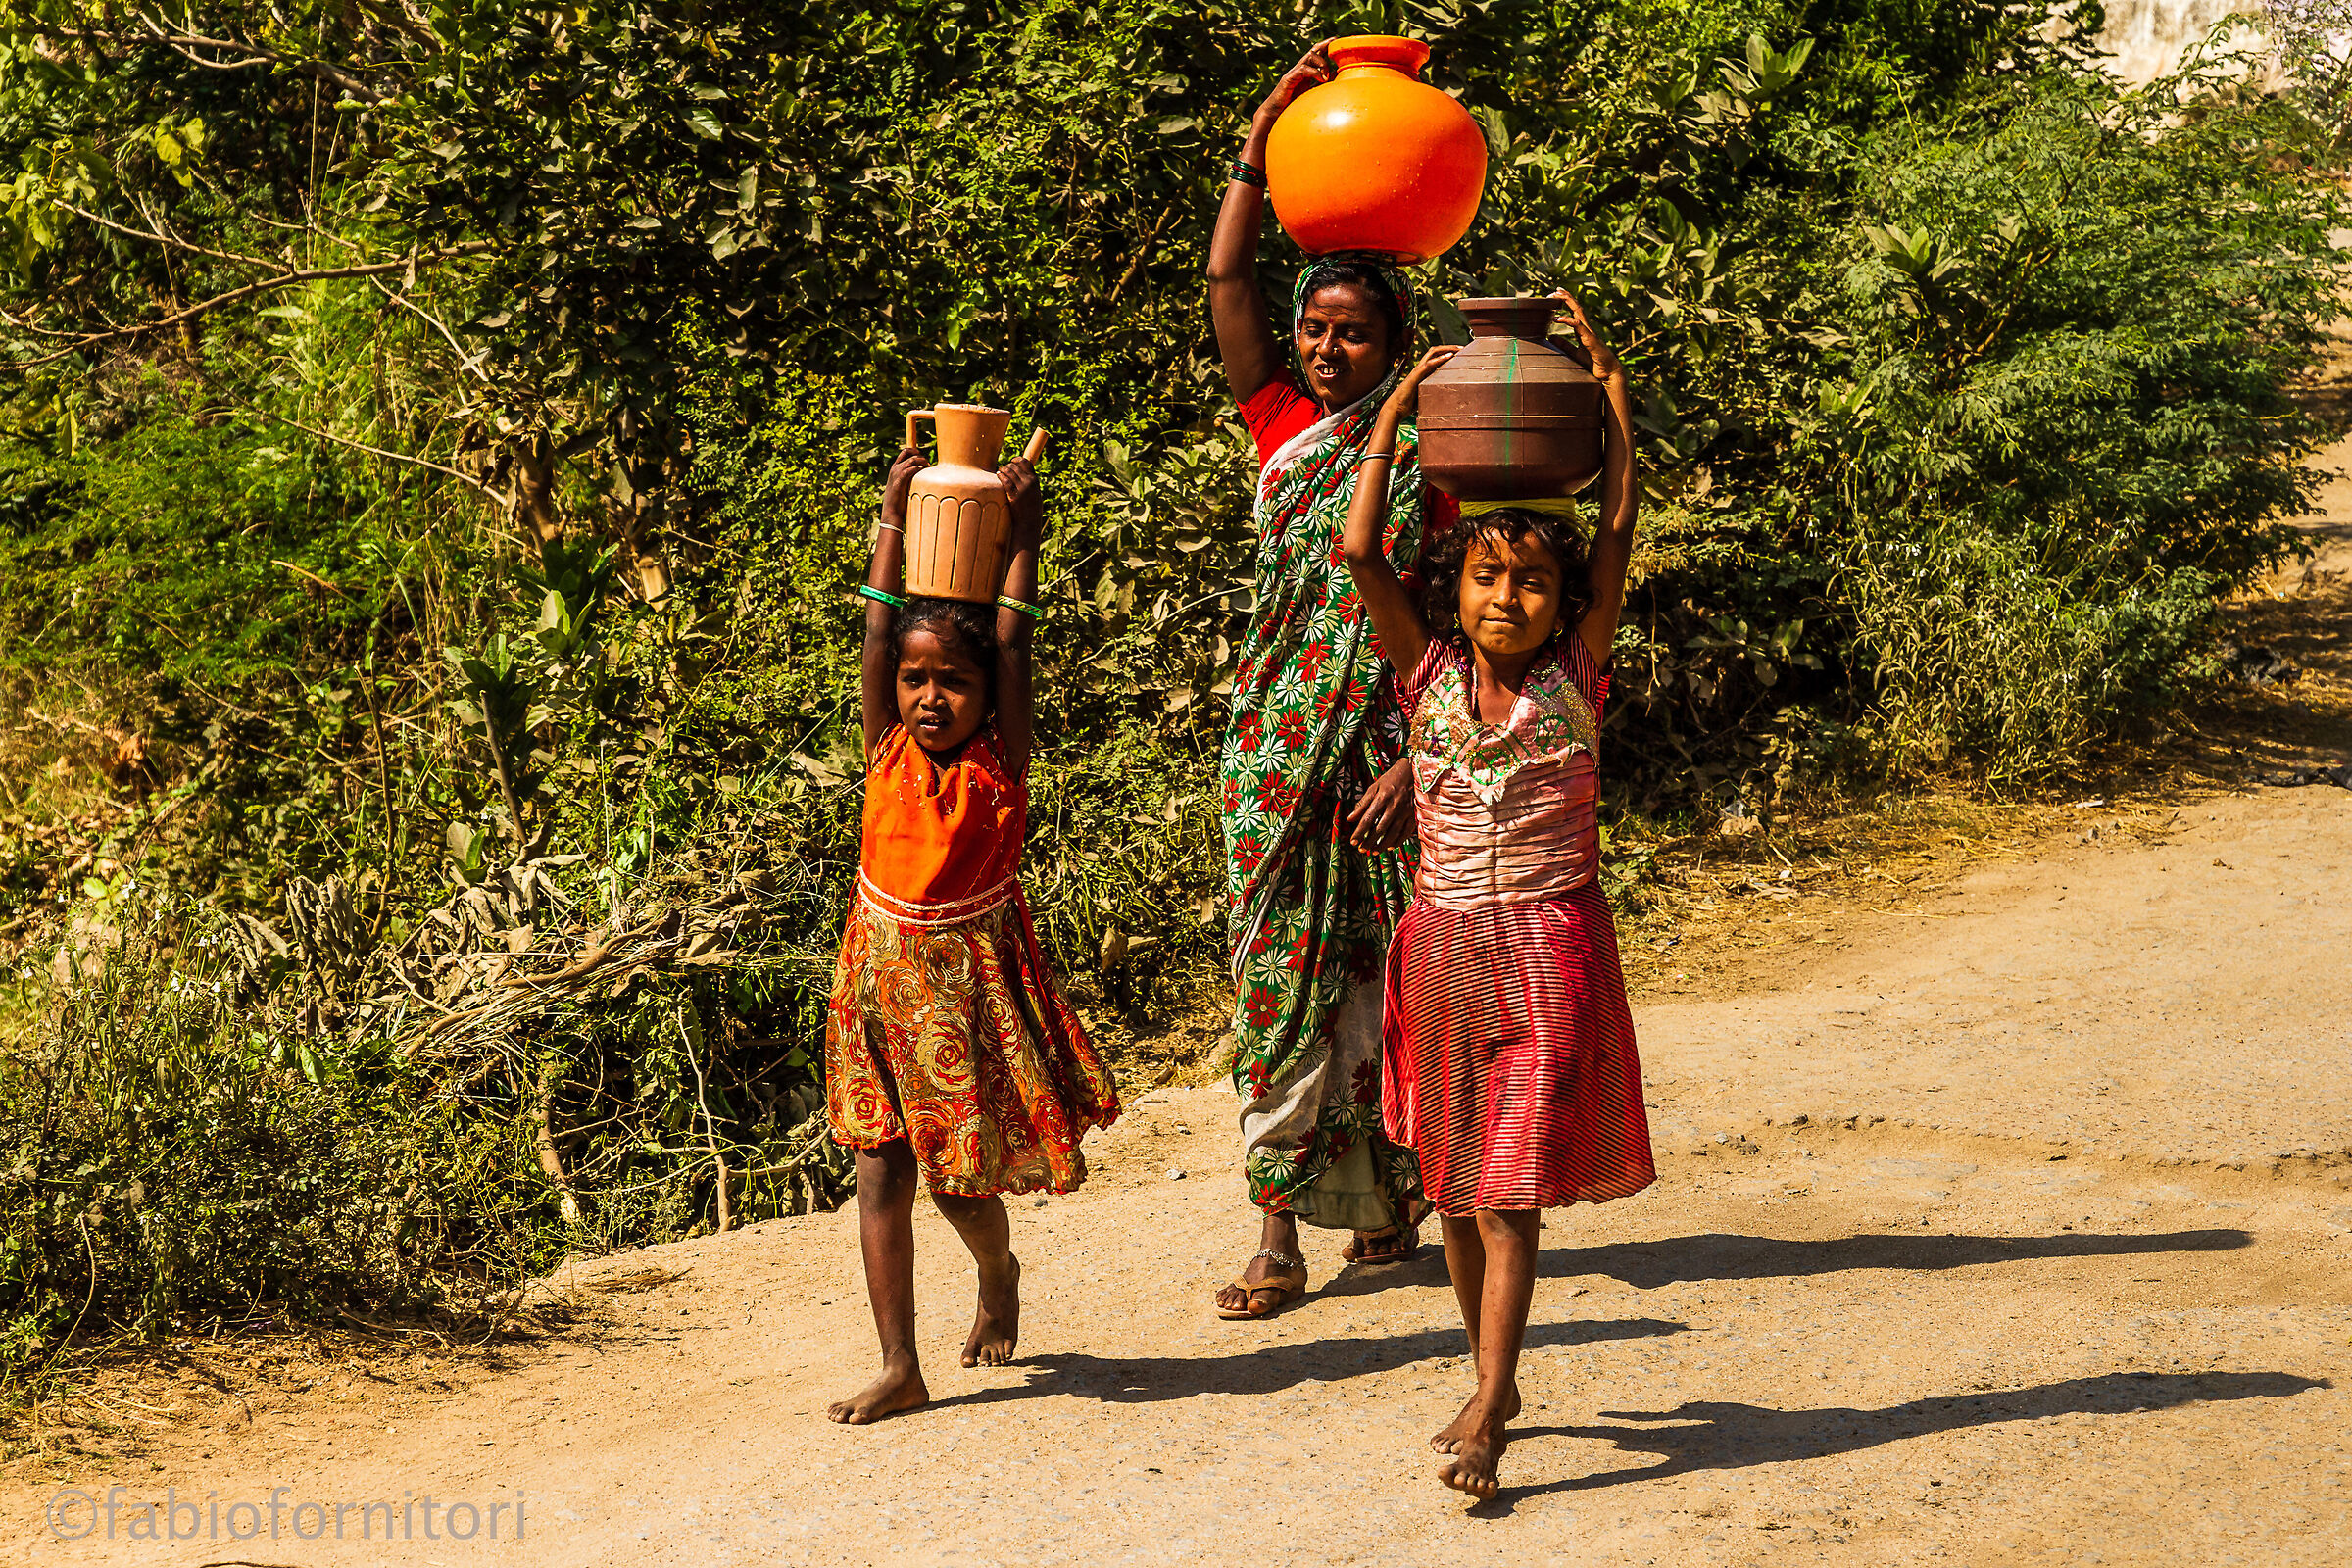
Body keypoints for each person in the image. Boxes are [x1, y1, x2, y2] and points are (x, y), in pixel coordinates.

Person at [1340, 296, 1657, 1496]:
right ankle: (1496, 1369)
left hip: (1552, 946)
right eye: (1485, 577)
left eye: (1530, 581)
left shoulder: (1581, 669)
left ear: (1562, 599)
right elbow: (1366, 552)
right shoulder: (1421, 668)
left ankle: (1487, 1408)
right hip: (1443, 950)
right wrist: (1397, 423)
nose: (1506, 599)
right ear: (1456, 587)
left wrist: (1611, 395)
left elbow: (1617, 525)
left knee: (1512, 1185)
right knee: (1459, 1190)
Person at [1205, 39, 1460, 1319]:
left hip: (1388, 749)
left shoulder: (1433, 454)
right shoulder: (1285, 435)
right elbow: (1224, 275)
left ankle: (1390, 1199)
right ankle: (1275, 1232)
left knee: (1386, 973)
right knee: (1278, 973)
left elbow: (1472, 620)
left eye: (1354, 332)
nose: (1324, 347)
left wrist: (1423, 761)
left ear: (1397, 346)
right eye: (1314, 326)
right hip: (1272, 749)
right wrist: (1263, 147)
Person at [823, 441, 1120, 1424]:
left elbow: (1018, 643)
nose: (928, 697)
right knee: (878, 1171)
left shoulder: (999, 765)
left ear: (988, 694)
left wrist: (1026, 541)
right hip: (874, 989)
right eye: (915, 679)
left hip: (961, 998)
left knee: (958, 1188)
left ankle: (998, 1271)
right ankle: (899, 1360)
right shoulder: (885, 750)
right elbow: (872, 634)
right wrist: (893, 514)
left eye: (953, 679)